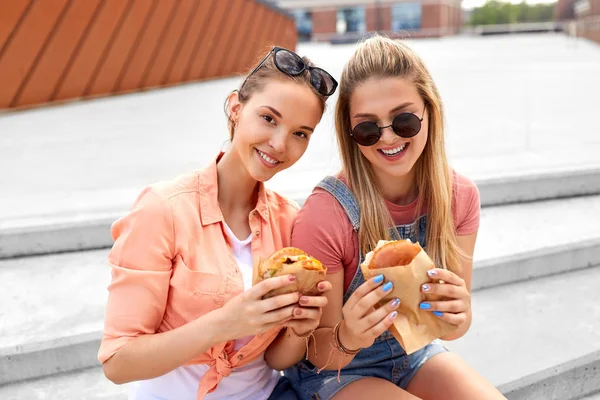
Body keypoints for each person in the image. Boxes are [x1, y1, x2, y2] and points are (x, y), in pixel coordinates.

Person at [98, 46, 338, 400]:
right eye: (269, 118)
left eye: (300, 133)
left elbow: (276, 360)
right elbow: (118, 362)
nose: (279, 144)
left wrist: (299, 330)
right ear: (236, 107)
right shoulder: (163, 210)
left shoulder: (289, 220)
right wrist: (226, 323)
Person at [285, 35, 506, 400]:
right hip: (339, 372)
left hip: (416, 356)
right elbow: (314, 353)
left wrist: (459, 313)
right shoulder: (326, 215)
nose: (388, 138)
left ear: (428, 110)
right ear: (350, 134)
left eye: (403, 120)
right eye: (368, 128)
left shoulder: (460, 197)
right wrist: (348, 335)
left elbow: (449, 329)